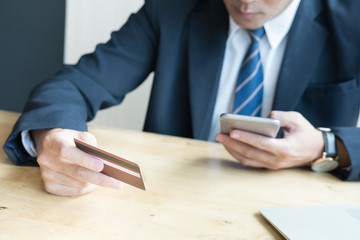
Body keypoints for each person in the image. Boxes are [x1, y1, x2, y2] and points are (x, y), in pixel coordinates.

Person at [3, 0, 360, 197]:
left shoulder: (351, 20)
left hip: (300, 203)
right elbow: (76, 84)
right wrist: (51, 138)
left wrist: (326, 145)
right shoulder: (171, 9)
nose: (246, 2)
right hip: (176, 199)